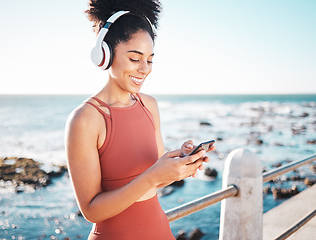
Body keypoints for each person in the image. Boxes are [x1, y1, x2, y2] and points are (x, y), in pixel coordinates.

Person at [65, 0, 215, 239]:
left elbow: (156, 182)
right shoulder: (85, 119)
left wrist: (179, 165)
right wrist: (152, 177)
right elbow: (91, 210)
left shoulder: (150, 106)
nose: (145, 69)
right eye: (135, 59)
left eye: (150, 59)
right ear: (105, 54)